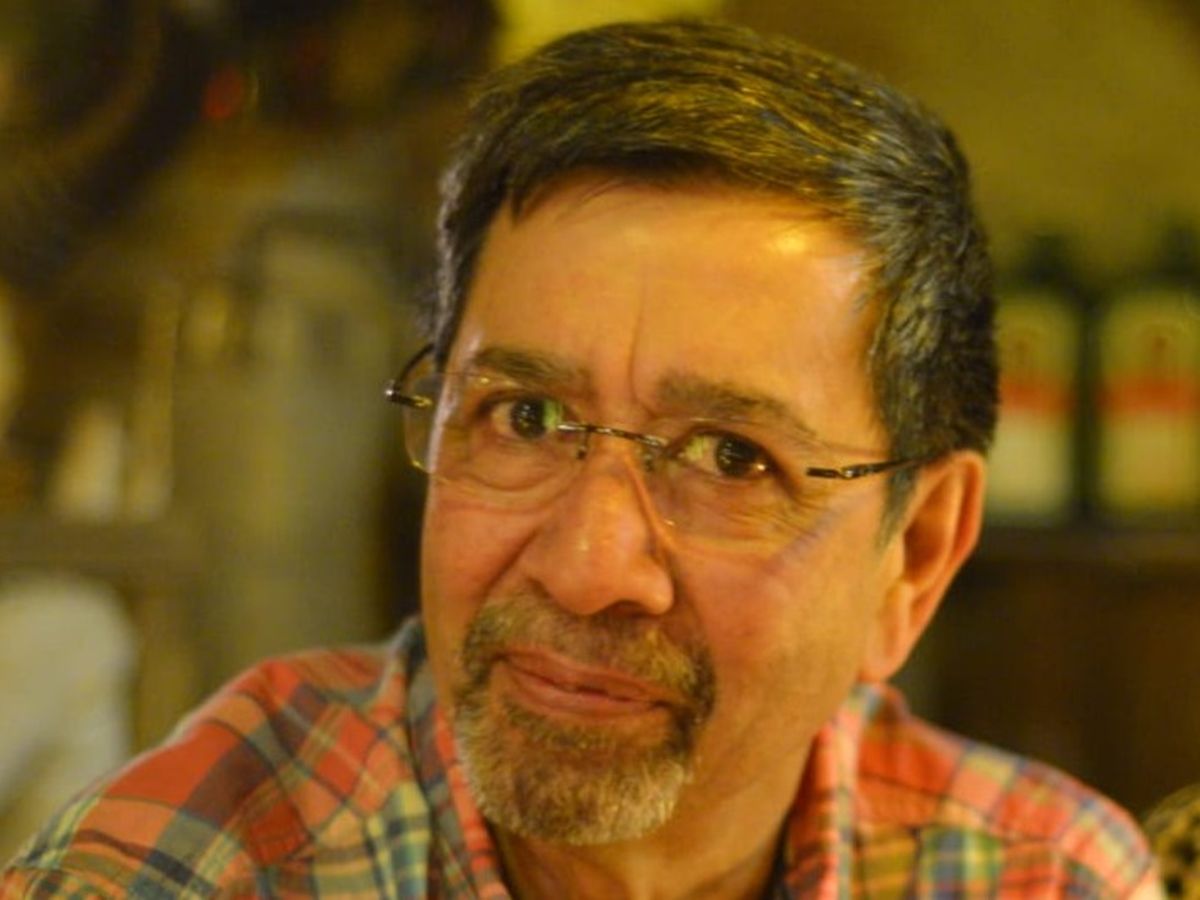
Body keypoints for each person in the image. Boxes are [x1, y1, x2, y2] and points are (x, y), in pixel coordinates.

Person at [3, 18, 1161, 899]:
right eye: (526, 418)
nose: (586, 565)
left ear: (915, 556)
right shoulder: (188, 872)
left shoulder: (1034, 877)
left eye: (731, 457)